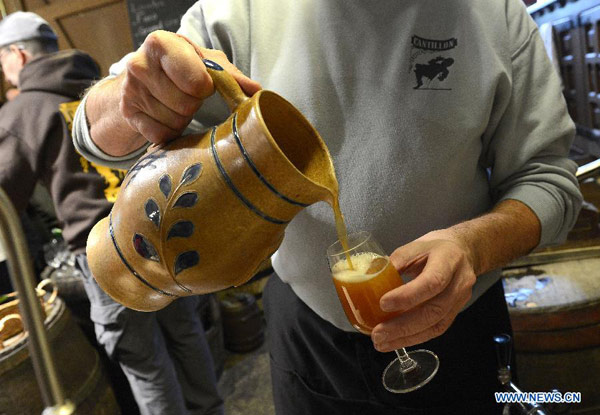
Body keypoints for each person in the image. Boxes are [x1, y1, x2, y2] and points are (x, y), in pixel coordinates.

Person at [72, 1, 583, 414]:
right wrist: (130, 99)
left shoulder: (498, 15)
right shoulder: (238, 12)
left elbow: (550, 180)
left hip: (459, 324)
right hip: (307, 330)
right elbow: (93, 138)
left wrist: (473, 246)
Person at [0, 11, 224, 415]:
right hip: (158, 228)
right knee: (186, 336)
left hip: (104, 251)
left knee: (146, 363)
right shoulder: (102, 84)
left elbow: (3, 198)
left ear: (17, 55)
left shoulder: (22, 112)